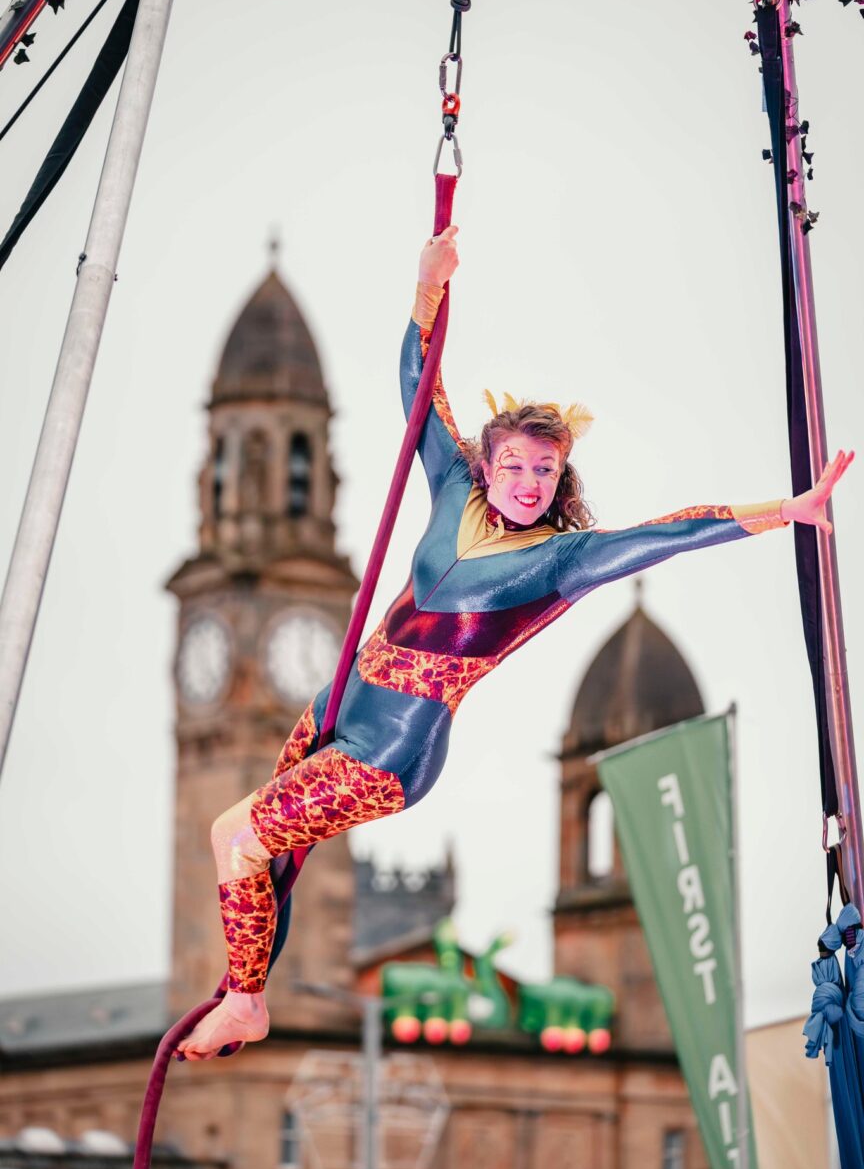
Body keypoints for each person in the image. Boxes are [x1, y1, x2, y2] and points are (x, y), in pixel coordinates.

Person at [177, 226, 853, 1060]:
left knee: (235, 835)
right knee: (272, 857)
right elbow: (417, 384)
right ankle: (252, 977)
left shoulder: (559, 559)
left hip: (389, 754)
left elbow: (670, 533)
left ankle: (246, 1002)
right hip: (339, 705)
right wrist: (428, 285)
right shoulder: (453, 483)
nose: (532, 483)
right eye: (519, 466)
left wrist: (784, 511)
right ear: (489, 463)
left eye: (547, 472)